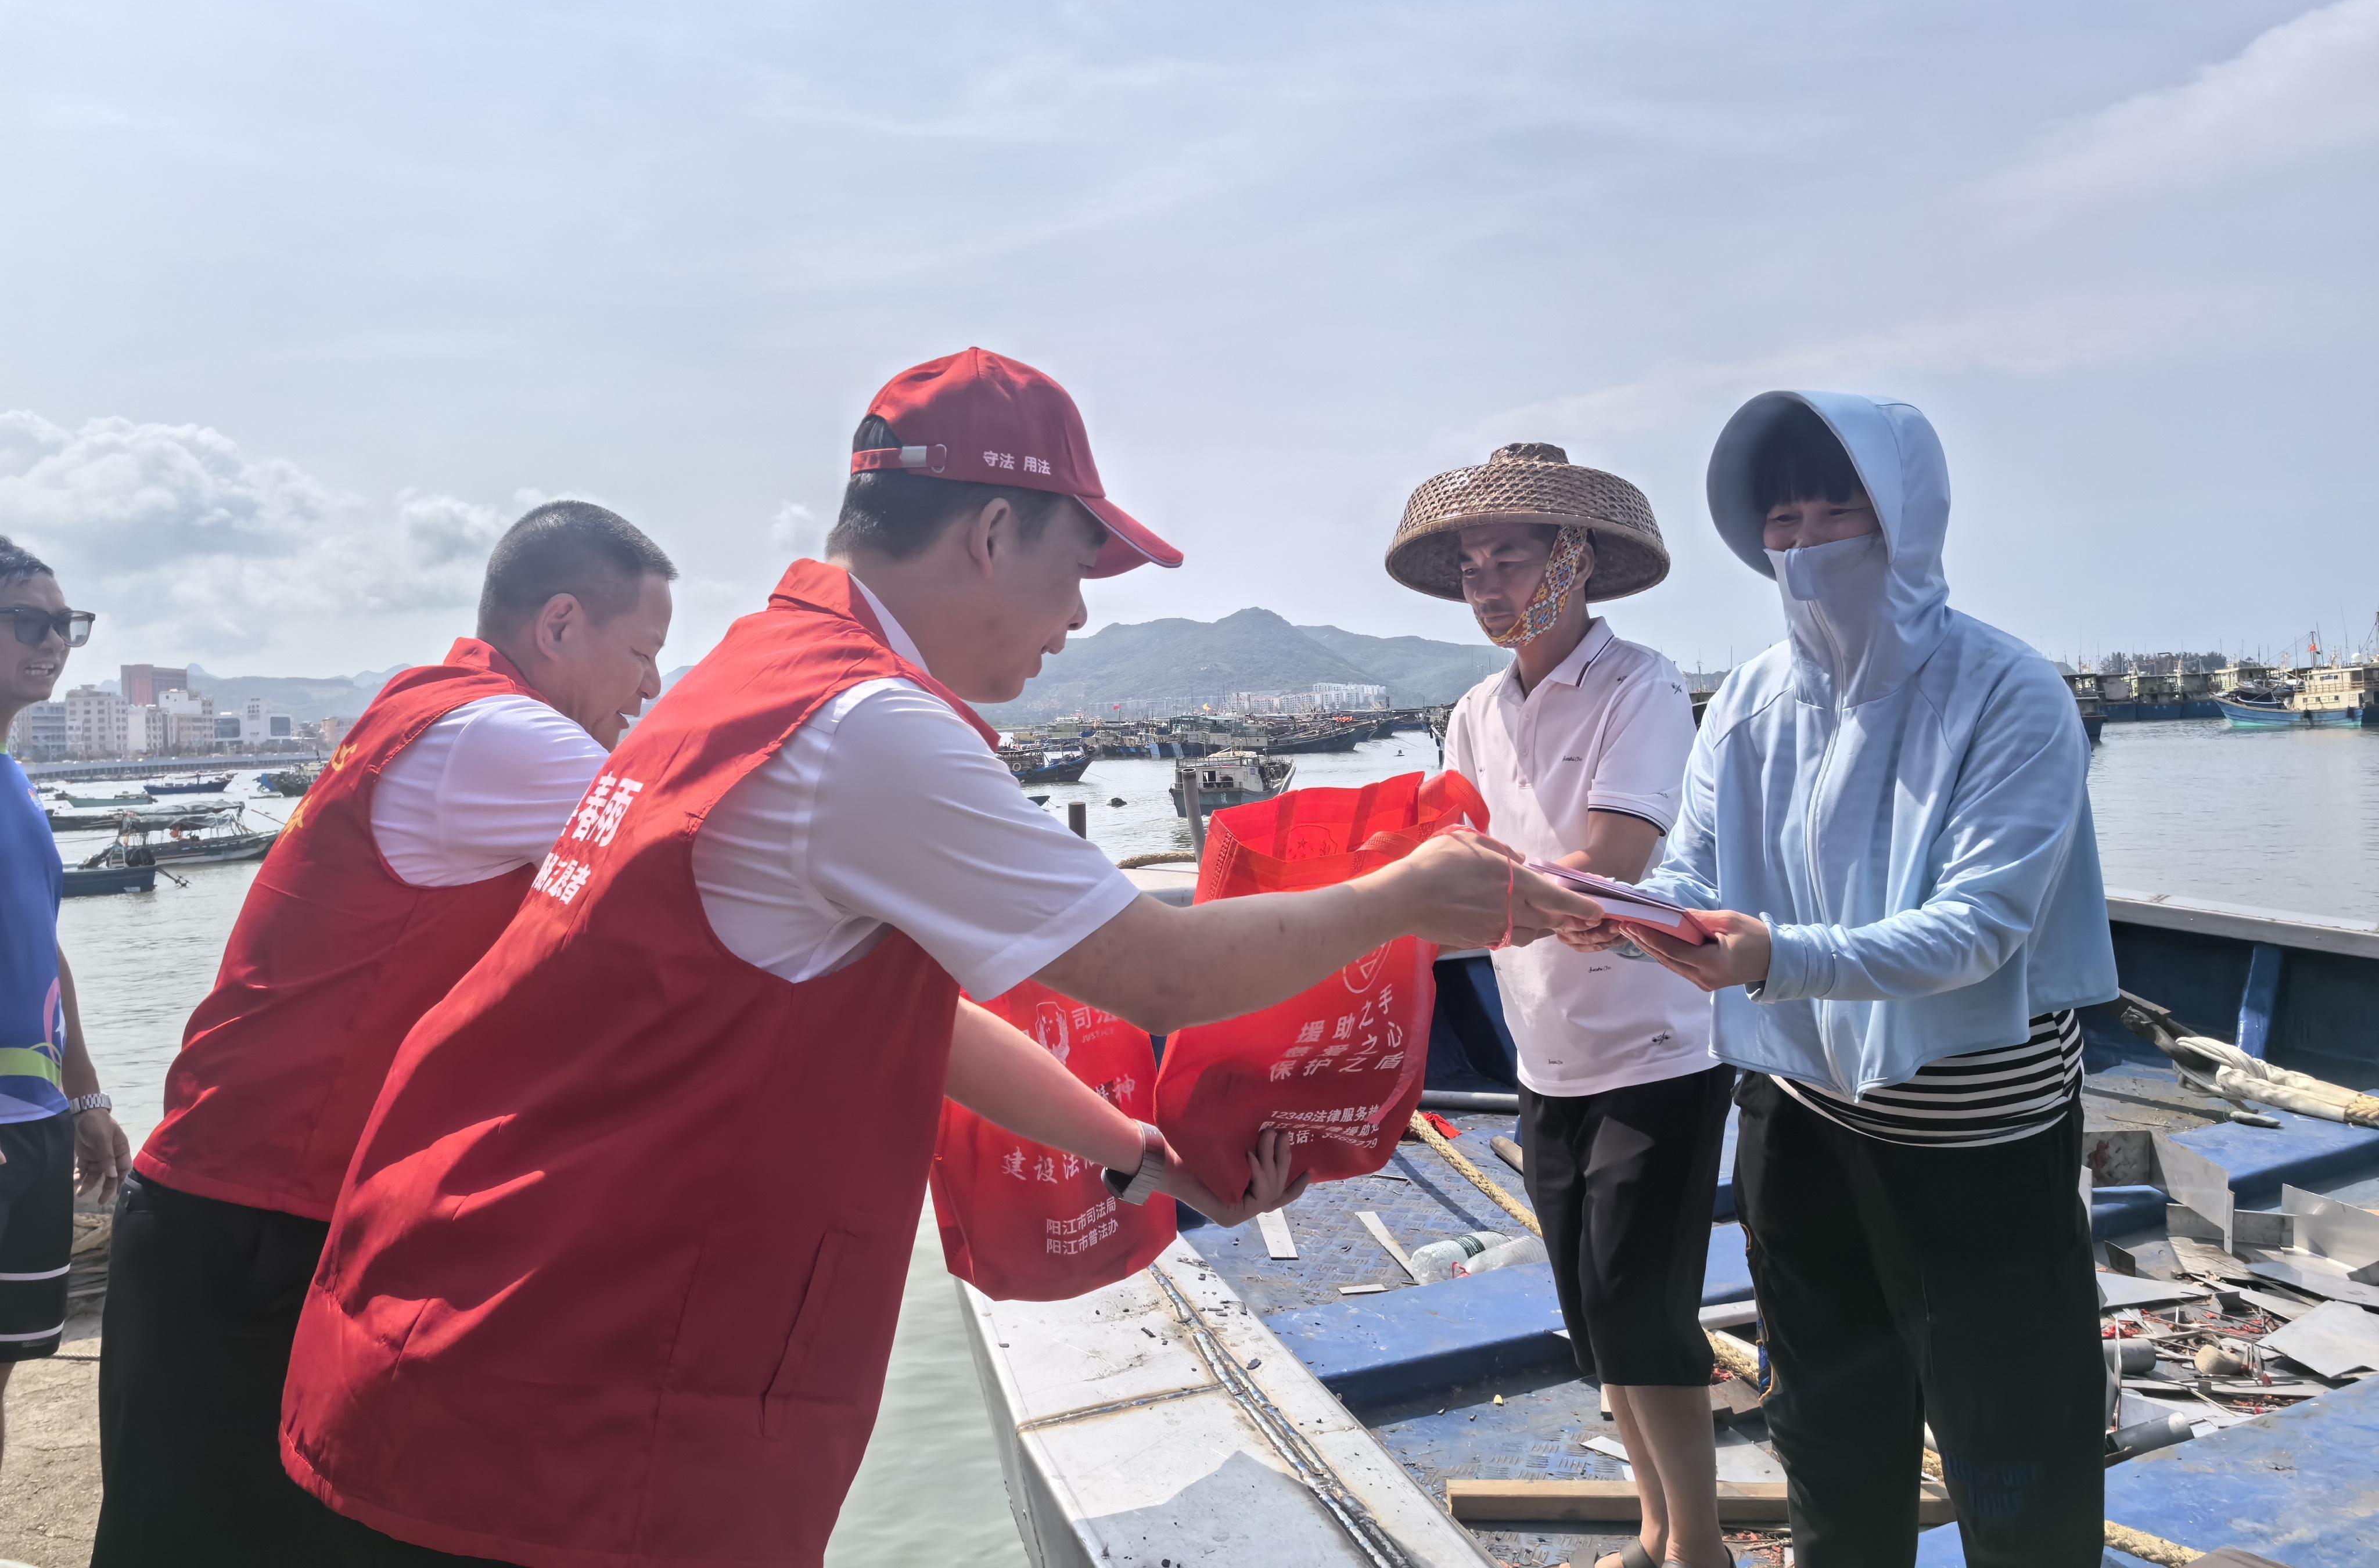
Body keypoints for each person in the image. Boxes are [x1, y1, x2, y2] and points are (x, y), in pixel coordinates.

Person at [275, 347, 1608, 1568]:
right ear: (990, 534)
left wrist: (1142, 1154)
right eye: (1077, 568)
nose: (1077, 616)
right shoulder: (867, 729)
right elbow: (1159, 974)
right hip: (570, 1386)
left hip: (478, 1328)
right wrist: (1399, 898)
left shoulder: (757, 681)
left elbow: (927, 1024)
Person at [94, 501, 678, 1562]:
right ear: (559, 625)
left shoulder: (425, 710)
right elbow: (734, 886)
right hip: (257, 1233)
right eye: (642, 655)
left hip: (230, 1215)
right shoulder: (507, 739)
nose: (650, 690)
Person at [1604, 392, 2116, 1568]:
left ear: (1906, 520)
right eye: (1780, 520)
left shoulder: (2008, 691)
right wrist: (1615, 916)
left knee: (2014, 1444)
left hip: (1975, 1127)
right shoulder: (1747, 701)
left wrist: (1774, 957)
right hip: (1795, 1111)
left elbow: (1979, 928)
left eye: (1838, 513)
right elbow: (1689, 872)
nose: (1804, 544)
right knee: (1826, 1427)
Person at [1387, 444, 1726, 1568]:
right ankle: (1654, 1528)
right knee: (1592, 1312)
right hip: (1543, 1051)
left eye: (1510, 558)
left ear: (1573, 559)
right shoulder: (1475, 711)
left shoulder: (1639, 685)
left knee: (1643, 1307)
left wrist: (1484, 897)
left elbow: (1611, 863)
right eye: (1470, 565)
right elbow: (1464, 859)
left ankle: (1700, 1547)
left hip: (1655, 1047)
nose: (1485, 584)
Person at [0, 535, 133, 1469]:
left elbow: (39, 943)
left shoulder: (14, 781)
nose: (53, 643)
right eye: (28, 623)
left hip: (35, 1121)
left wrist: (83, 1095)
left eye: (65, 625)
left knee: (7, 1363)